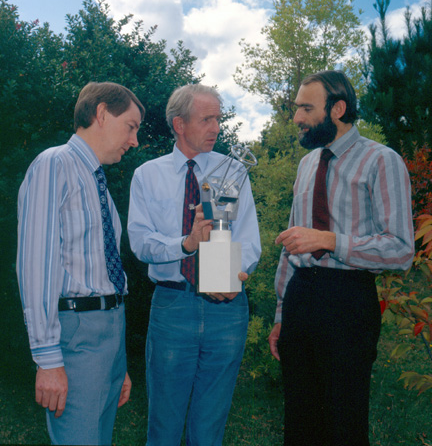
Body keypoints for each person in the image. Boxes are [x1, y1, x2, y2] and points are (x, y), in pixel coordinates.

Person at [268, 70, 414, 446]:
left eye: (305, 108)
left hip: (348, 301)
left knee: (344, 423)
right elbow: (293, 242)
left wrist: (332, 241)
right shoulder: (306, 164)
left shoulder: (382, 161)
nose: (296, 117)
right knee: (299, 422)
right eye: (296, 108)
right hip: (301, 299)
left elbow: (400, 249)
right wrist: (282, 313)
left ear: (338, 109)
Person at [128, 83, 261, 445]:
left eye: (218, 118)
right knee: (164, 426)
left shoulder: (231, 172)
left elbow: (248, 239)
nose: (216, 127)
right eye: (206, 119)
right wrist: (186, 244)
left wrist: (234, 276)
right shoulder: (147, 175)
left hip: (226, 308)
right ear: (179, 124)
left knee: (209, 428)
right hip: (172, 307)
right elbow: (140, 242)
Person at [16, 81, 145, 445]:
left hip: (108, 335)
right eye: (131, 126)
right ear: (102, 114)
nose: (134, 140)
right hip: (75, 337)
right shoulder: (54, 165)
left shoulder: (97, 182)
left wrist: (118, 363)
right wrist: (47, 359)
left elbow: (105, 272)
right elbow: (35, 266)